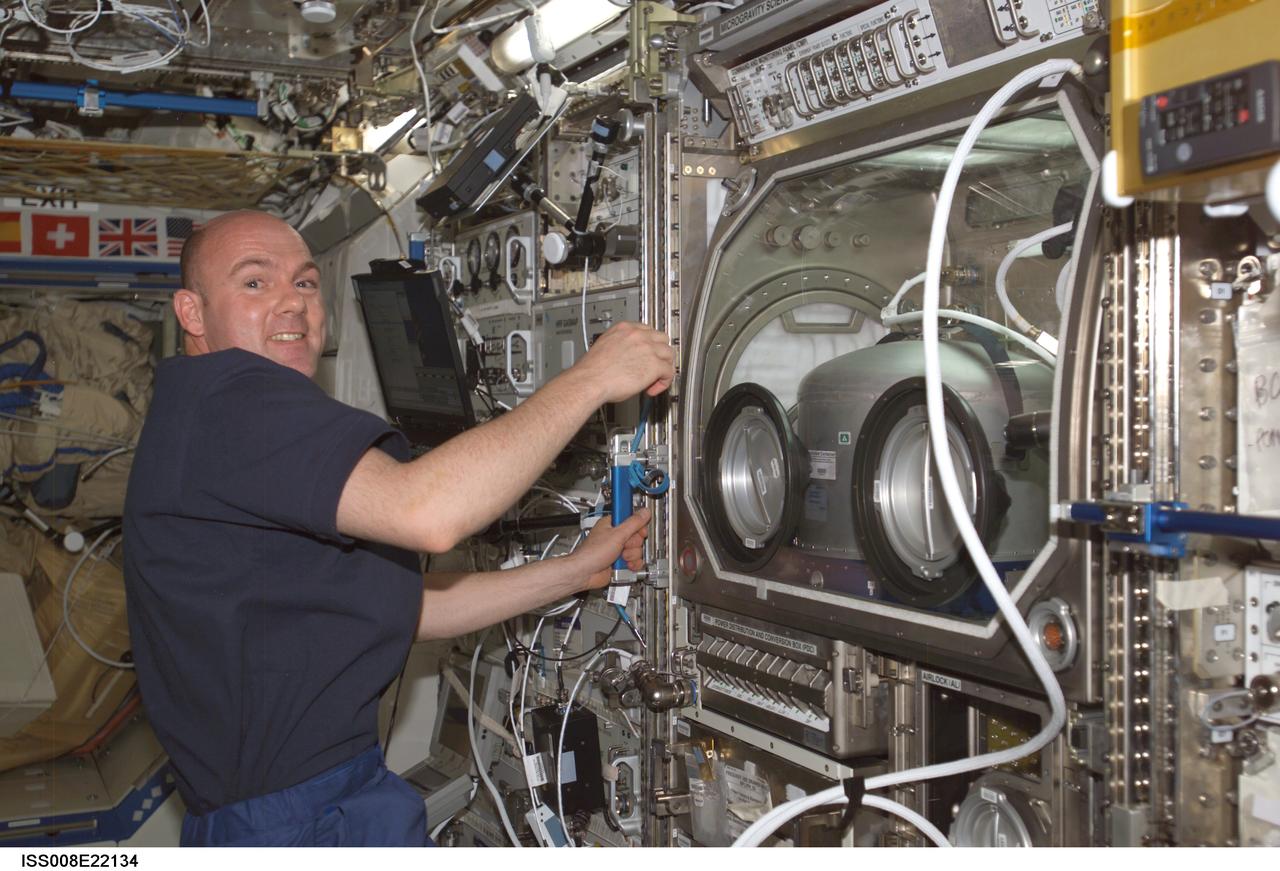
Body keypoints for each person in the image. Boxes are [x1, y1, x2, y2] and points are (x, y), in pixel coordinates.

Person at [122, 210, 675, 846]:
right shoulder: (234, 400)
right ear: (191, 313)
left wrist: (577, 569)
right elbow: (429, 514)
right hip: (297, 823)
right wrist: (594, 377)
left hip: (303, 805)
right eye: (254, 284)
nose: (292, 305)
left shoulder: (206, 420)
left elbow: (407, 610)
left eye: (305, 283)